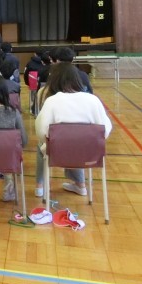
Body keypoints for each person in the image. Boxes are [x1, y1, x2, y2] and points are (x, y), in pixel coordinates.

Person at [34, 63, 112, 198]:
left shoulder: (51, 101)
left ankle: (39, 186)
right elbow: (105, 128)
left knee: (45, 145)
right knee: (77, 142)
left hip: (58, 153)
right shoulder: (93, 100)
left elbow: (41, 131)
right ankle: (81, 185)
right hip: (90, 153)